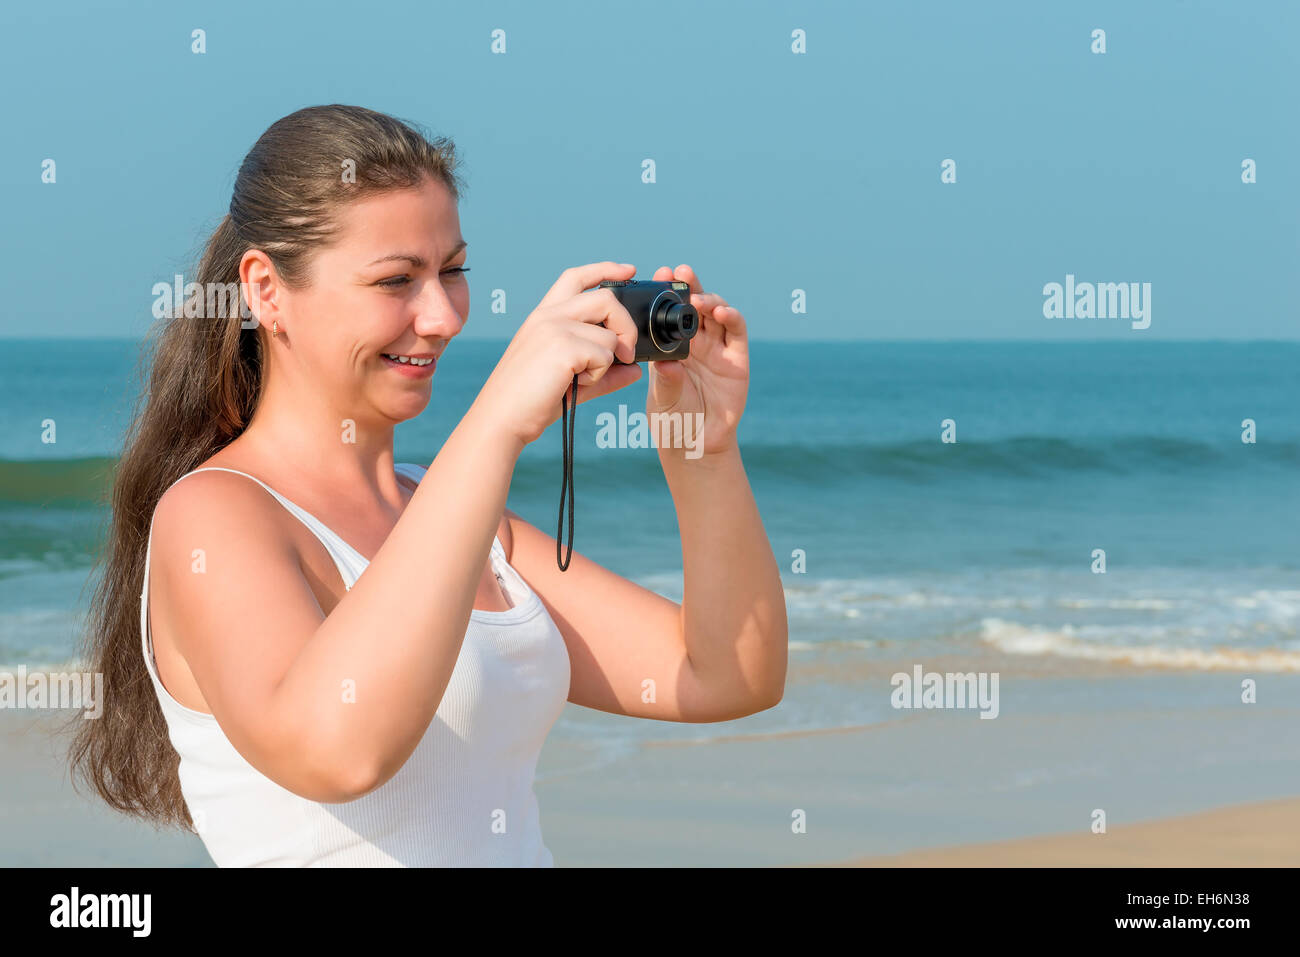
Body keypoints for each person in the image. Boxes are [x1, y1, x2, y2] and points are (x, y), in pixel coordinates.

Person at [67, 104, 788, 866]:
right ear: (266, 291)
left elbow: (728, 674)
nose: (442, 316)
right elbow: (337, 752)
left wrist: (703, 450)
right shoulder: (215, 515)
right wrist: (498, 420)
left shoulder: (452, 513)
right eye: (396, 280)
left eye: (453, 271)